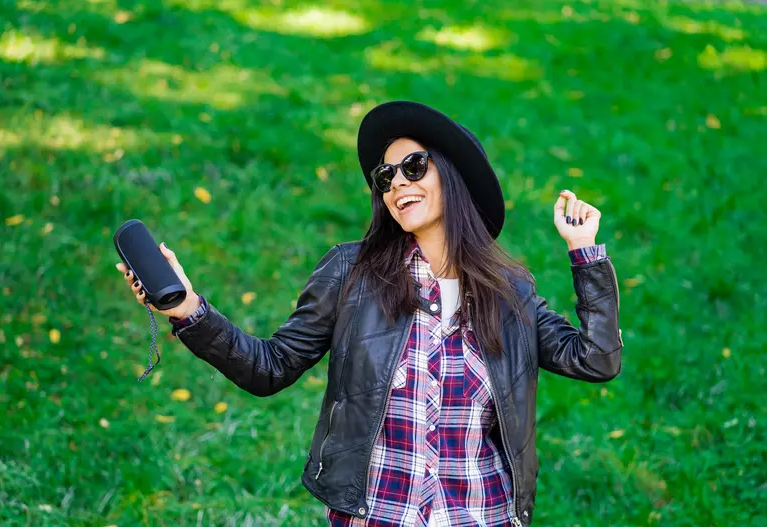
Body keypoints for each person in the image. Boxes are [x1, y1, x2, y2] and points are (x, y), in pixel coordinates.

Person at [116, 101, 622, 526]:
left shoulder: (509, 294)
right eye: (385, 176)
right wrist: (186, 307)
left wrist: (585, 253)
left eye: (414, 167)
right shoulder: (349, 273)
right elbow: (269, 368)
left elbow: (597, 359)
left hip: (480, 513)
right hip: (376, 514)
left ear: (455, 175)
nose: (397, 183)